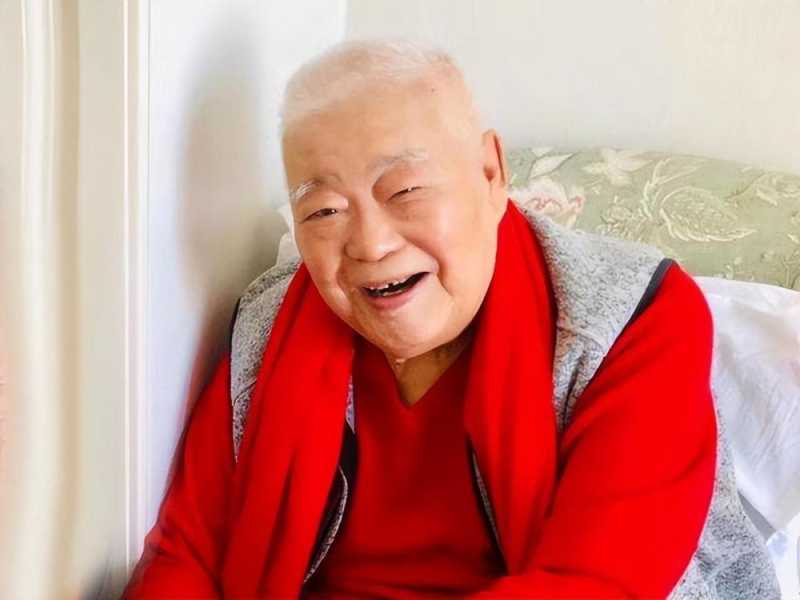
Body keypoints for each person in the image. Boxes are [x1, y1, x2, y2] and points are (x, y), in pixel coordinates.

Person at [123, 39, 780, 599]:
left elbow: (595, 584)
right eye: (324, 211)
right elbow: (188, 553)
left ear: (491, 173)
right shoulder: (269, 327)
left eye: (404, 190)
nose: (370, 244)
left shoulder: (636, 318)